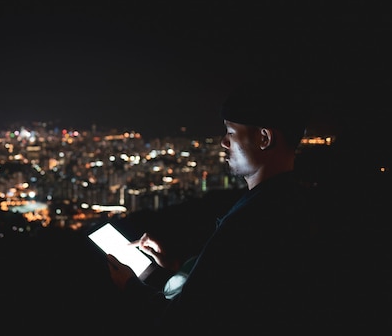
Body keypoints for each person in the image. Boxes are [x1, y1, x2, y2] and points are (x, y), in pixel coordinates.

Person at [105, 75, 325, 334]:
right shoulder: (287, 204)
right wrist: (179, 267)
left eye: (231, 132)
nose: (223, 142)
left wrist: (131, 287)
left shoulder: (253, 222)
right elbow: (228, 291)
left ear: (264, 138)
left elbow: (186, 322)